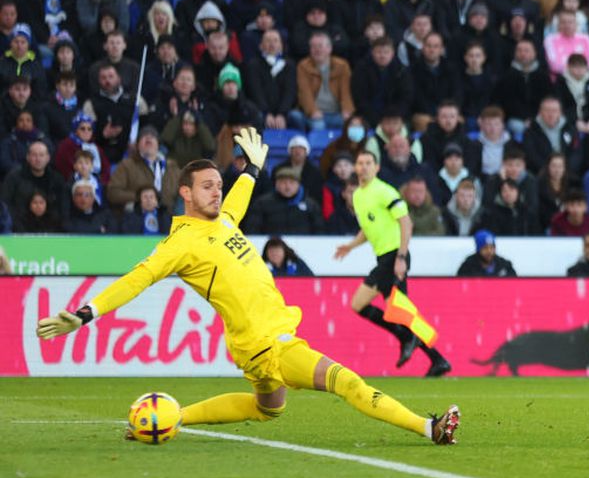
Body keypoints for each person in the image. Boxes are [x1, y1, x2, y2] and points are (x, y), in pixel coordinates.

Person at [35, 129, 459, 445]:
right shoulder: (178, 245)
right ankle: (429, 426)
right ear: (185, 192)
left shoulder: (222, 220)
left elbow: (240, 196)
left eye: (218, 185)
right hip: (268, 343)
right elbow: (135, 281)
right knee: (345, 382)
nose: (217, 193)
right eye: (207, 187)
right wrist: (87, 312)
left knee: (267, 408)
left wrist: (252, 168)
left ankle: (173, 416)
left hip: (257, 342)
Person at [333, 149, 451, 377]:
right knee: (400, 311)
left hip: (393, 256)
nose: (364, 166)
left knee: (360, 304)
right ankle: (437, 359)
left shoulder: (384, 191)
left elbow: (406, 224)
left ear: (376, 168)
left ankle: (408, 338)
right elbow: (367, 230)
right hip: (384, 257)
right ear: (356, 168)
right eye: (360, 163)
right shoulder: (358, 196)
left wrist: (401, 258)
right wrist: (350, 246)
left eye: (369, 162)